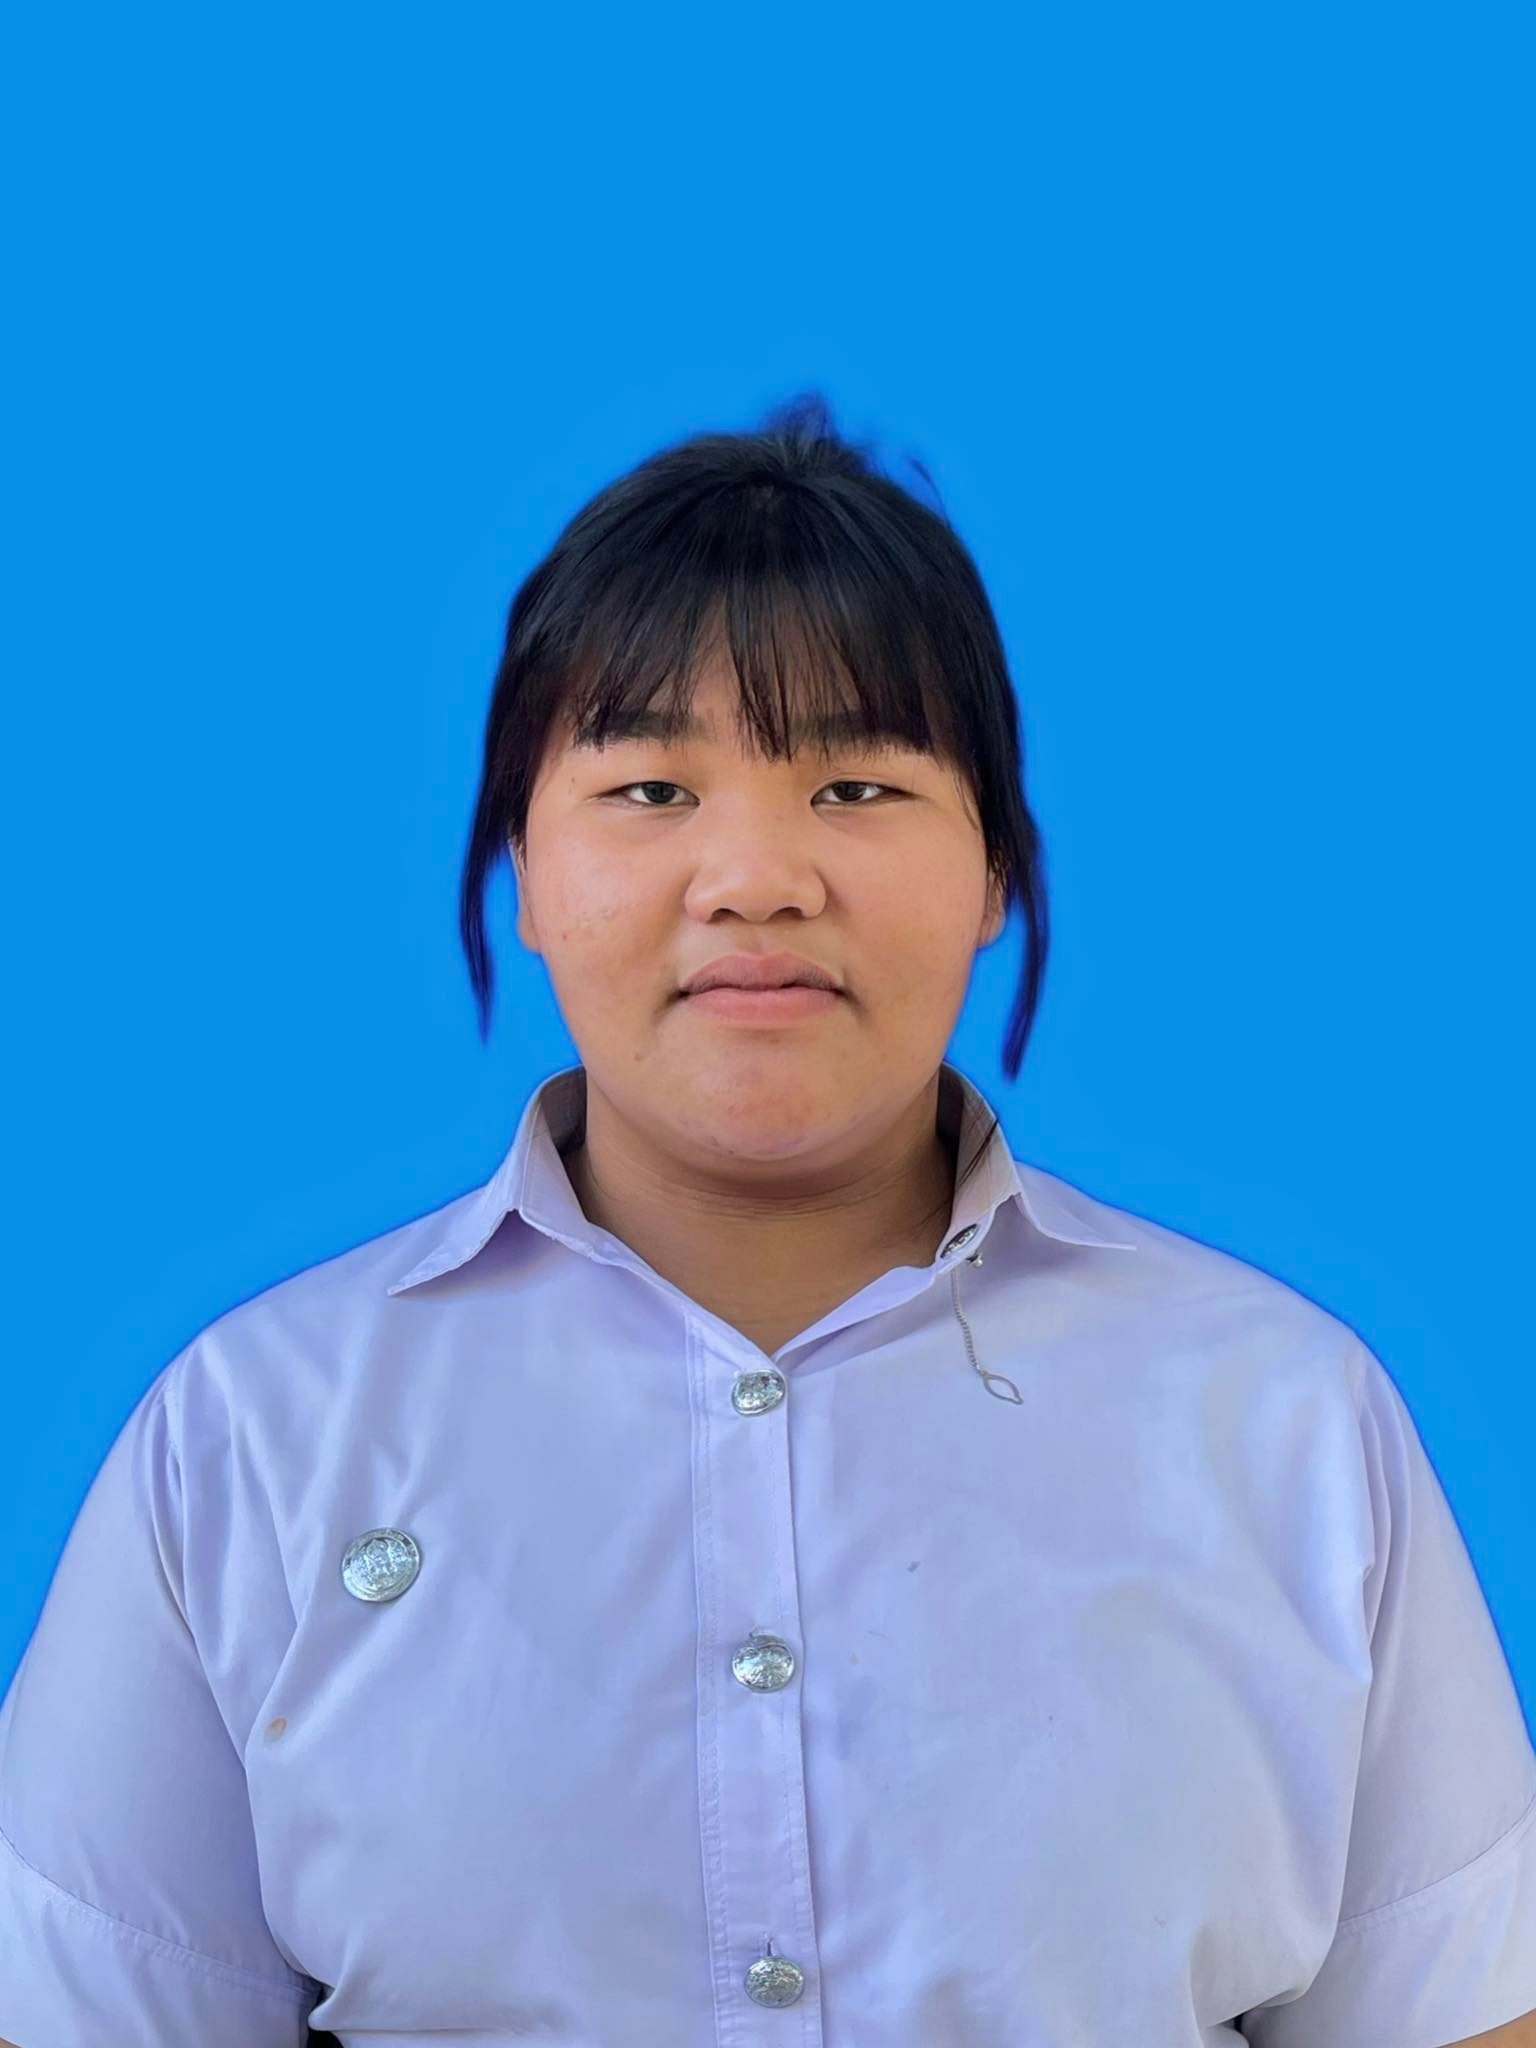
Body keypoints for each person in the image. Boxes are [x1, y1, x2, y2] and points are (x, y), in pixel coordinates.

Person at [2, 393, 1534, 2048]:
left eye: (859, 786)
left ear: (997, 867)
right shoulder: (253, 1435)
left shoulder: (1283, 1419)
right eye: (651, 787)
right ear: (523, 869)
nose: (755, 877)